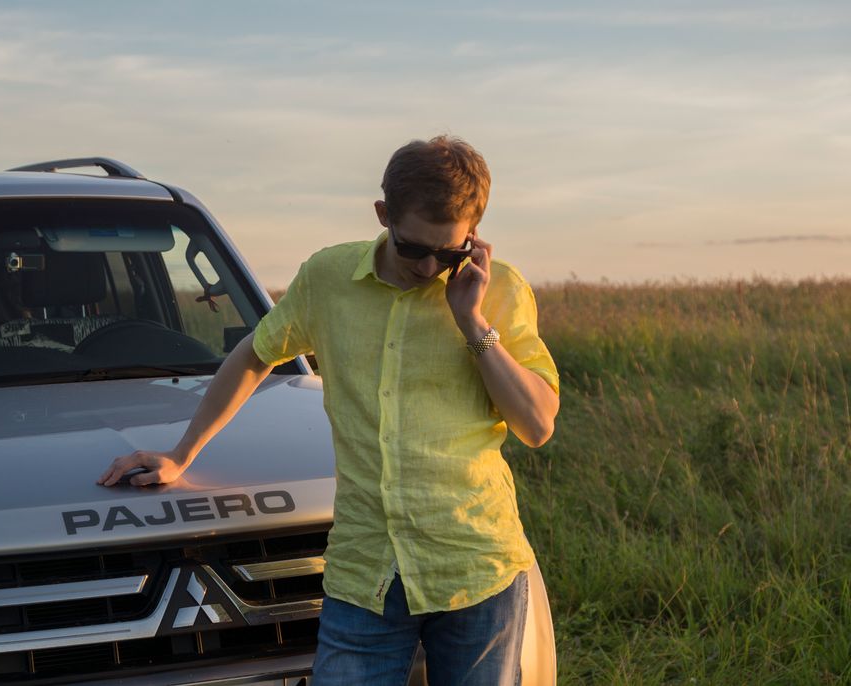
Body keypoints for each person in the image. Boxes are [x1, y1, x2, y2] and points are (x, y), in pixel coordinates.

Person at [97, 135, 560, 685]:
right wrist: (181, 453)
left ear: (474, 236)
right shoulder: (329, 279)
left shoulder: (500, 289)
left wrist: (473, 323)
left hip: (477, 568)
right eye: (414, 248)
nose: (430, 266)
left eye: (450, 252)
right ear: (383, 214)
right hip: (365, 576)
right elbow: (254, 355)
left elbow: (536, 425)